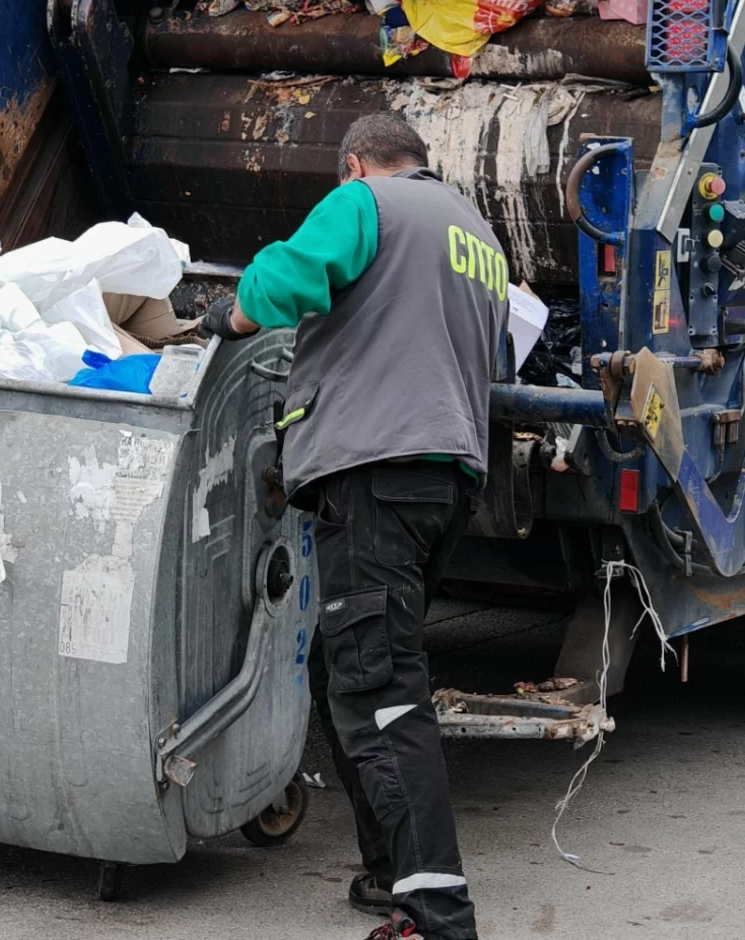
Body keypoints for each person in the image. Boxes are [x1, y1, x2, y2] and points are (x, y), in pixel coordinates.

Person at [200, 114, 508, 940]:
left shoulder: (366, 201)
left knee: (380, 694)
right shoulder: (476, 233)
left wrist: (223, 319)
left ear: (355, 164)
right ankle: (388, 871)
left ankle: (436, 915)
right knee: (349, 668)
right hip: (444, 479)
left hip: (374, 472)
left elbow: (286, 282)